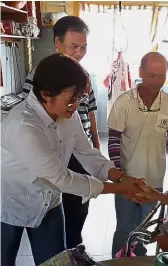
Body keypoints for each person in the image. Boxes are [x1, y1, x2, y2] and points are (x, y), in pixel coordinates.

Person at [1, 54, 144, 266]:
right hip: (10, 202)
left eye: (79, 98)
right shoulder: (23, 126)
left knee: (55, 262)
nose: (76, 104)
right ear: (46, 95)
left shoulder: (69, 114)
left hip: (48, 202)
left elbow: (85, 152)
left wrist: (117, 175)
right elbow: (62, 179)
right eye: (72, 99)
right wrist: (120, 189)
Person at [22, 16, 100, 249]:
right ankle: (60, 248)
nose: (79, 52)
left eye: (83, 47)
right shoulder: (40, 76)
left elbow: (91, 111)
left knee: (79, 205)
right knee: (57, 201)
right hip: (53, 151)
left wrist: (95, 144)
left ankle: (74, 247)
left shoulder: (84, 76)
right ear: (57, 43)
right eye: (73, 46)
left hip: (81, 149)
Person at [108, 51, 168, 257]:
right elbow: (113, 140)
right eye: (151, 75)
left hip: (154, 180)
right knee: (124, 227)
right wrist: (120, 175)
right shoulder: (124, 102)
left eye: (161, 76)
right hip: (127, 177)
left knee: (144, 228)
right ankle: (119, 261)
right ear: (140, 71)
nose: (156, 82)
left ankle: (138, 259)